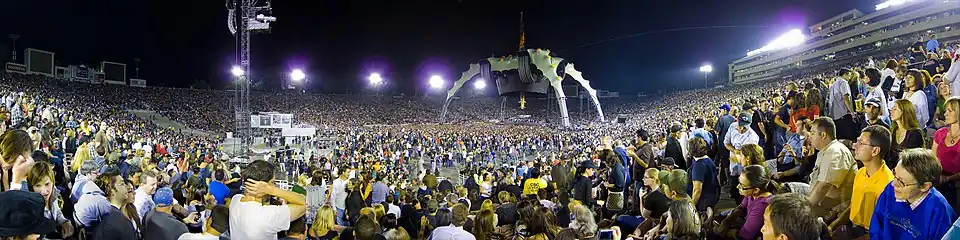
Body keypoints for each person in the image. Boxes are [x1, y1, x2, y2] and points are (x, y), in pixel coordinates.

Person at [870, 149, 956, 239]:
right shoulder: (891, 189)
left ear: (925, 186)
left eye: (901, 182)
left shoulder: (940, 210)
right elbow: (877, 225)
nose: (893, 184)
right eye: (895, 174)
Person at [828, 126, 896, 239]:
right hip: (852, 227)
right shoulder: (861, 172)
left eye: (861, 143)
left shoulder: (887, 185)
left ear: (875, 151)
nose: (855, 146)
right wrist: (833, 225)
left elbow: (884, 229)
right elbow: (853, 206)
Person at [229, 160, 307, 239]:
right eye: (272, 182)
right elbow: (303, 203)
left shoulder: (235, 200)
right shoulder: (268, 216)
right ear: (262, 185)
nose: (274, 186)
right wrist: (271, 190)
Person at [806, 117, 857, 213]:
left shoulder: (835, 151)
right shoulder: (826, 150)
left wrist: (804, 210)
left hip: (832, 208)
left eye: (813, 133)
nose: (810, 137)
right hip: (819, 198)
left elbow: (822, 187)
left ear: (823, 135)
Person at [712, 165, 772, 240]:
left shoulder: (761, 206)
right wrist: (727, 221)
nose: (737, 187)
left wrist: (724, 232)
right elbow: (741, 207)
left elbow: (745, 235)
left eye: (742, 185)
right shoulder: (752, 194)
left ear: (756, 190)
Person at [25, 161, 73, 239]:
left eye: (47, 184)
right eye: (38, 185)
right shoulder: (30, 208)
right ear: (32, 187)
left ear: (52, 182)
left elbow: (57, 212)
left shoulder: (54, 192)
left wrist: (65, 222)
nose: (44, 191)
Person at [92, 170, 139, 240]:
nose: (126, 187)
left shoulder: (101, 212)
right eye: (122, 184)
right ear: (112, 191)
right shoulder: (122, 222)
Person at [934, 97, 960, 216]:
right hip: (937, 181)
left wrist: (948, 178)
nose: (945, 114)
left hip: (956, 185)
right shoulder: (940, 133)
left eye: (950, 111)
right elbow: (932, 159)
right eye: (946, 110)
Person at [686, 137, 718, 212]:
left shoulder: (699, 166)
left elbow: (697, 190)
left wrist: (692, 207)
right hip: (710, 197)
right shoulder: (707, 160)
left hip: (703, 202)